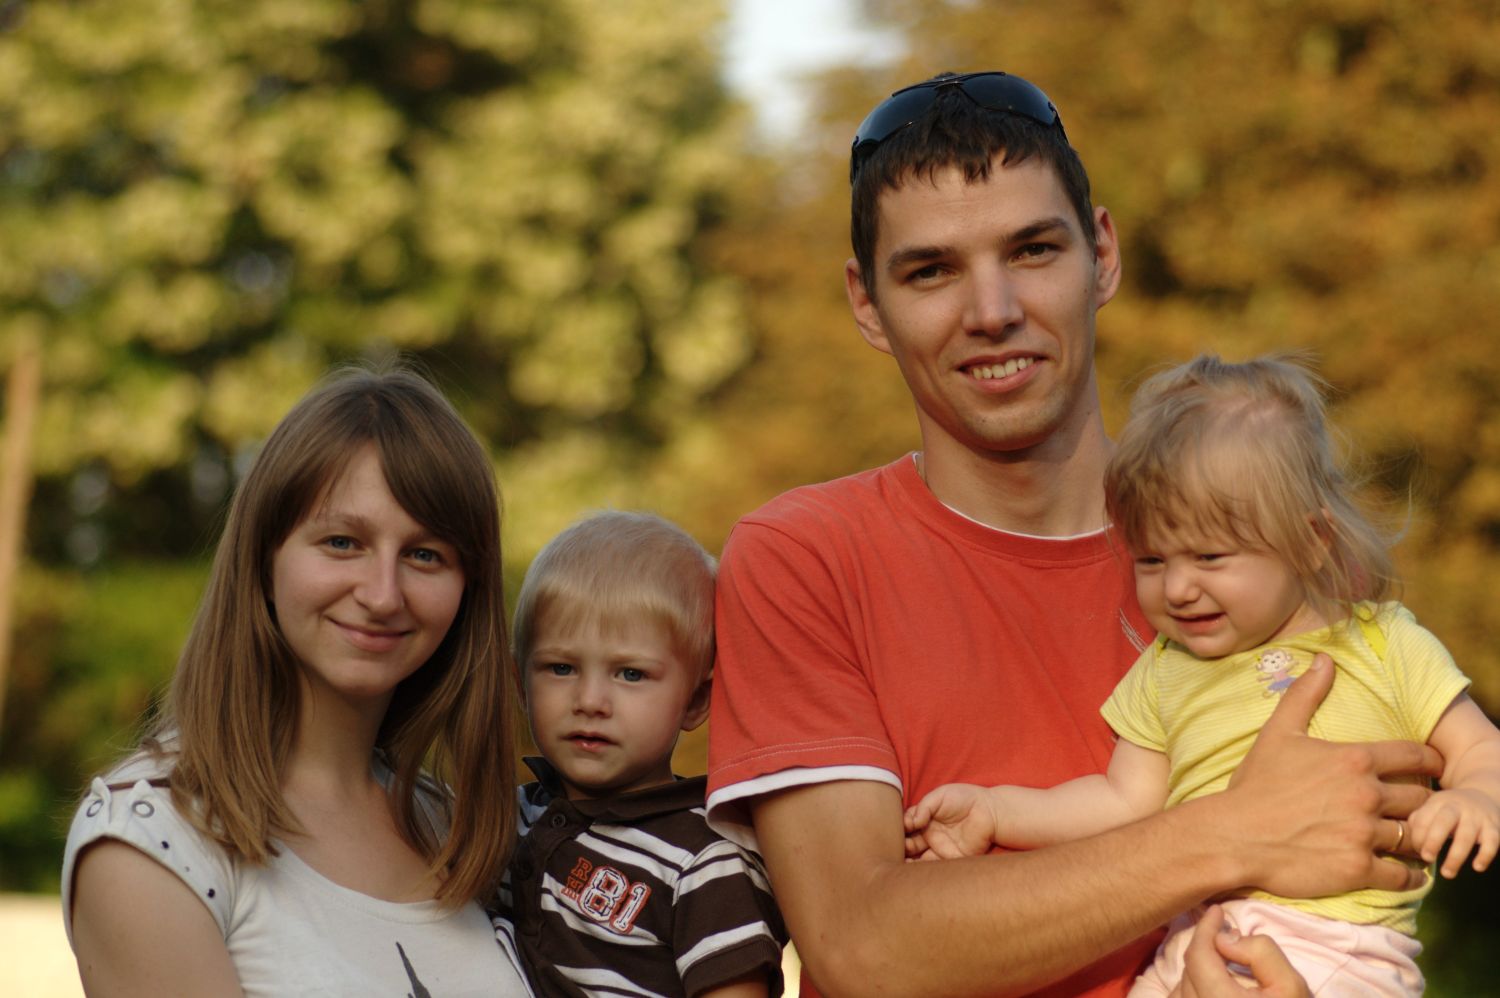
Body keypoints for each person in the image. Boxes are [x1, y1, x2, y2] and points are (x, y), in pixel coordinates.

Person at [704, 70, 1441, 997]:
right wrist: (1232, 834)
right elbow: (864, 947)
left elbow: (1367, 879)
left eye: (1033, 250)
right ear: (866, 303)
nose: (993, 312)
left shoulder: (1267, 548)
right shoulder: (804, 558)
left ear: (1102, 254)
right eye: (931, 271)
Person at [904, 354, 1500, 995]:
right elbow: (1120, 802)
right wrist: (997, 811)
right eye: (1152, 560)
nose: (1179, 588)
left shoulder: (1383, 643)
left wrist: (1475, 798)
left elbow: (1479, 748)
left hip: (1338, 947)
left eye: (1210, 556)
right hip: (1193, 938)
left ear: (1311, 541)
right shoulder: (1166, 668)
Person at [62, 365, 530, 995]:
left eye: (425, 555)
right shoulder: (154, 837)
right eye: (342, 542)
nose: (383, 595)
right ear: (264, 559)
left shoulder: (459, 829)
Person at [495, 510, 787, 997]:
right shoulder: (502, 820)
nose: (590, 701)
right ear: (520, 683)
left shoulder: (705, 861)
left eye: (630, 674)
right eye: (561, 668)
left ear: (696, 700)